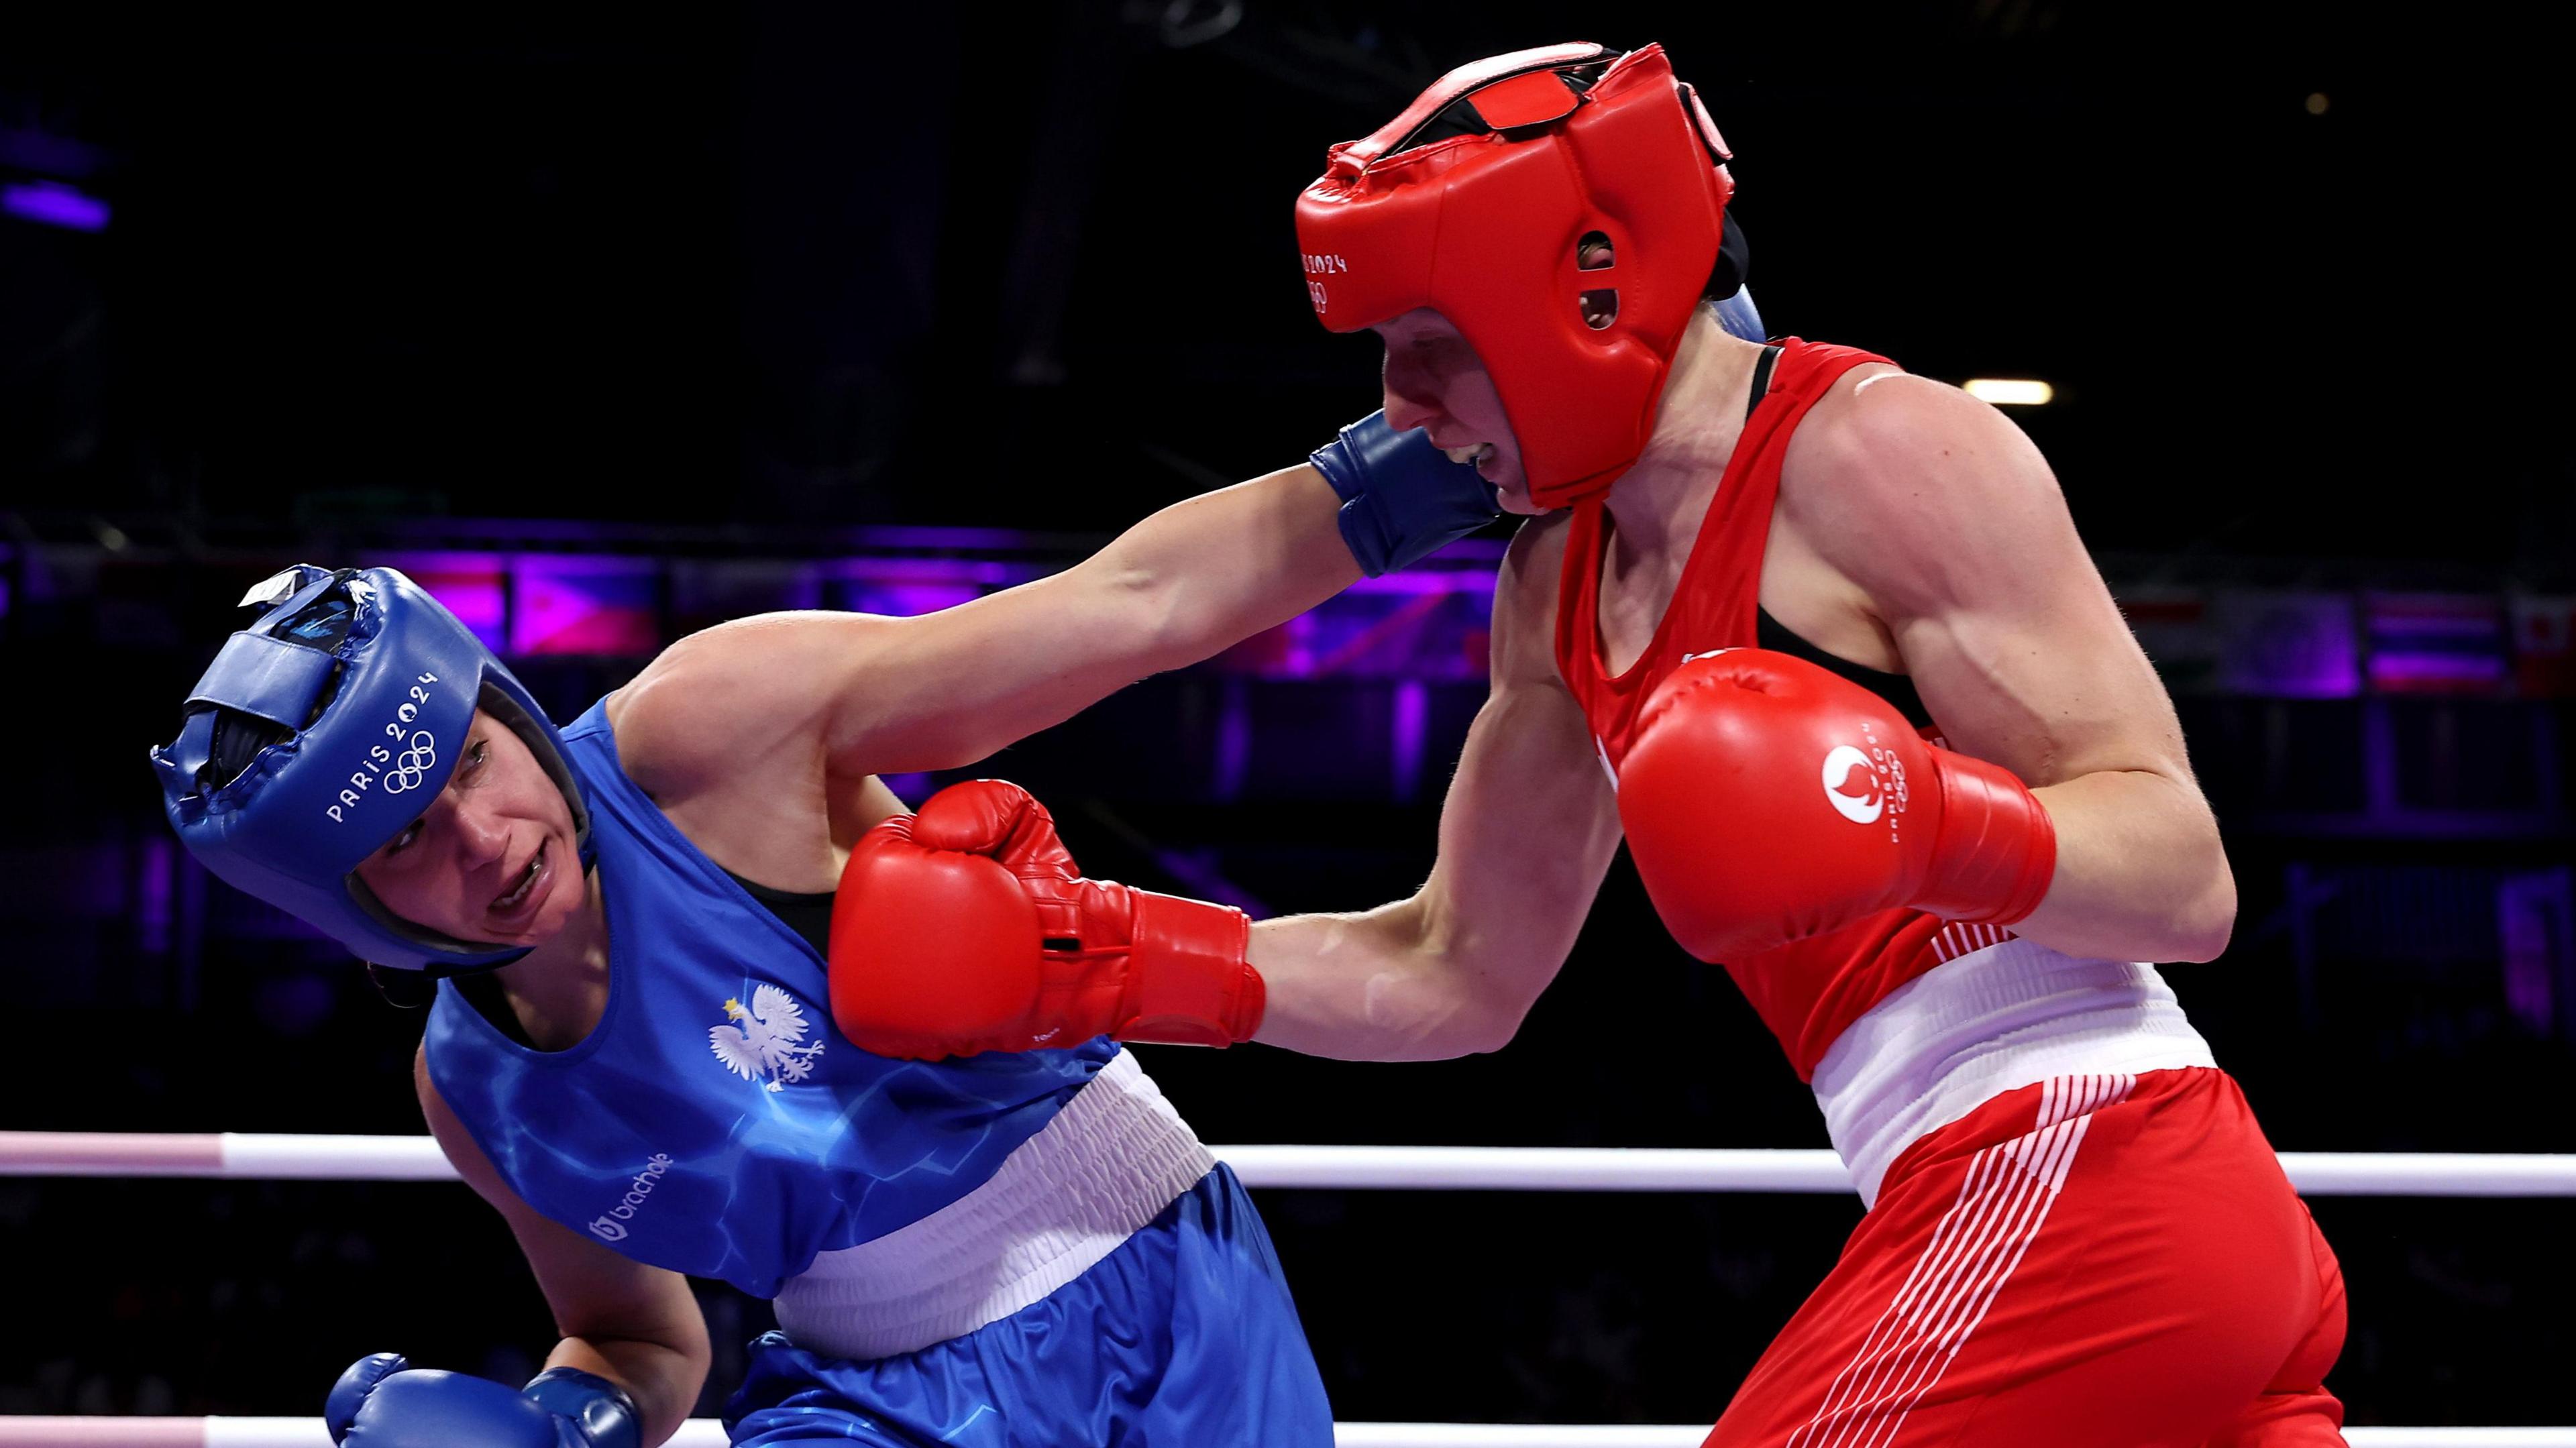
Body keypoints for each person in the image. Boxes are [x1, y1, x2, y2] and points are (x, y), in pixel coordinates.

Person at [835, 42, 2348, 1447]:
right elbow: (1453, 975)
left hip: (2094, 1166)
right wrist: (1097, 958)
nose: (1401, 402)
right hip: (2022, 1206)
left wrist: (1920, 814)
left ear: (1587, 287)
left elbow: (2186, 878)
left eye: (1431, 340)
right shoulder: (1555, 589)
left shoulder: (1885, 448)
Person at [149, 412, 1497, 1448]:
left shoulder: (704, 735)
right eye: (404, 842)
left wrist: (1425, 463)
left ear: (497, 699)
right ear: (353, 916)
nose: (486, 840)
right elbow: (639, 1341)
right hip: (872, 1401)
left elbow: (1132, 605)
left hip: (1163, 1267)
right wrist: (565, 1423)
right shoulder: (478, 1093)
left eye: (469, 765)